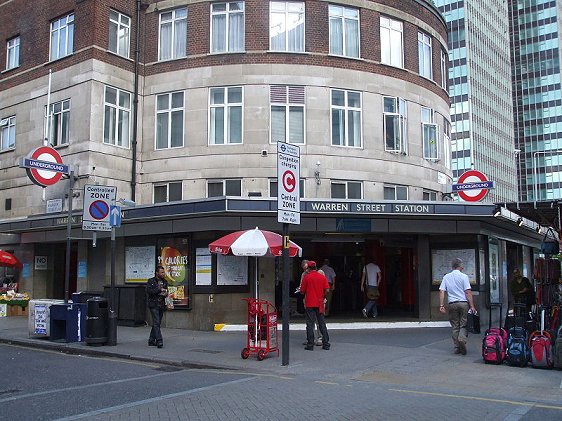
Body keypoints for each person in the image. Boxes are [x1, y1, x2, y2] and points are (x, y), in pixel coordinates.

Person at [439, 258, 477, 355]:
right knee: (463, 324)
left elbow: (442, 291)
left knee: (455, 326)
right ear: (460, 266)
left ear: (452, 266)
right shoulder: (464, 277)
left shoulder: (446, 277)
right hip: (463, 303)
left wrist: (441, 305)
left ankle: (457, 347)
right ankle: (462, 339)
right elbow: (468, 292)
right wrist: (472, 306)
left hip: (452, 304)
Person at [300, 261, 330, 350]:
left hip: (310, 303)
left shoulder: (307, 277)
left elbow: (302, 291)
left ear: (308, 268)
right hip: (319, 303)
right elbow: (327, 289)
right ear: (316, 267)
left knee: (310, 324)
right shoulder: (321, 277)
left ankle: (310, 344)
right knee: (321, 323)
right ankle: (326, 344)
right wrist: (323, 295)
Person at [146, 265, 168, 348]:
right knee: (156, 322)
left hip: (161, 305)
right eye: (161, 272)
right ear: (157, 273)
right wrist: (159, 290)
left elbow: (166, 292)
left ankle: (151, 340)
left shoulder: (165, 282)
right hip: (153, 304)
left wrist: (166, 294)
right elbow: (149, 291)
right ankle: (159, 341)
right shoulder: (151, 281)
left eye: (163, 272)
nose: (163, 274)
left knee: (157, 323)